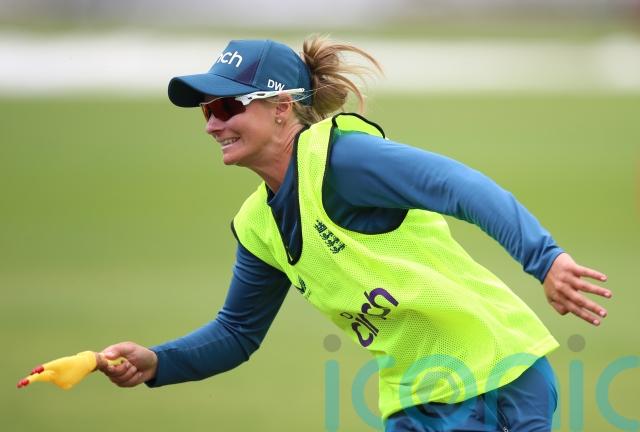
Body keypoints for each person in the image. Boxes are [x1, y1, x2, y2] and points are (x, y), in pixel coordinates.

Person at [97, 36, 612, 431]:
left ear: (281, 108)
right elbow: (236, 333)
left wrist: (545, 258)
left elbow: (459, 186)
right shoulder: (258, 225)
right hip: (415, 399)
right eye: (208, 110)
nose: (212, 125)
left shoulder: (341, 160)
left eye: (229, 107)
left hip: (493, 373)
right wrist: (159, 362)